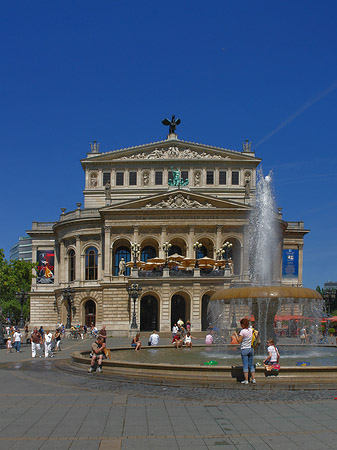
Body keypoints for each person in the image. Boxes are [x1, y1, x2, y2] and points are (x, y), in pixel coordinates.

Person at [236, 318, 257, 385]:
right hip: (251, 349)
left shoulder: (242, 331)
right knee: (251, 365)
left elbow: (239, 341)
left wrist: (236, 335)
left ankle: (246, 380)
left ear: (242, 325)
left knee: (245, 365)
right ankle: (253, 379)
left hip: (244, 349)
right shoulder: (251, 330)